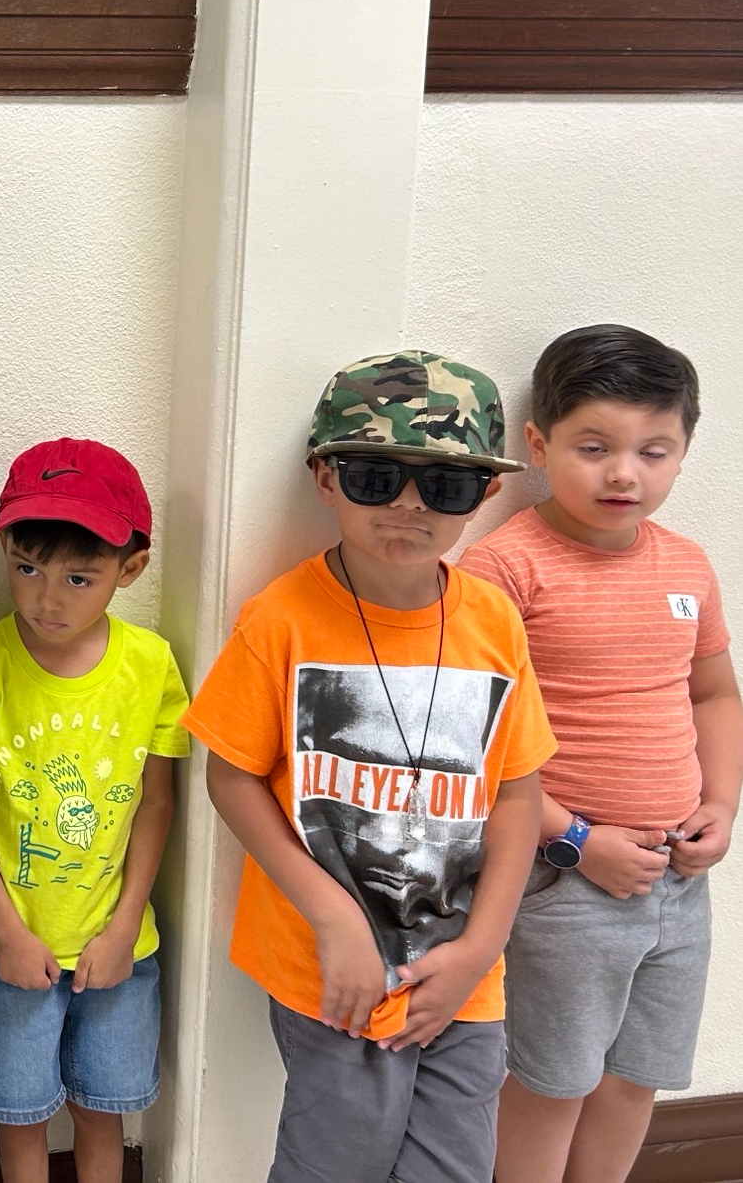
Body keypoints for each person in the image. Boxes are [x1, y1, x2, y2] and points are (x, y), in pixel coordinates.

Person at [184, 351, 556, 1183]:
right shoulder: (281, 619)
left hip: (463, 973)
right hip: (333, 970)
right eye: (375, 476)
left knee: (454, 1167)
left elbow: (520, 794)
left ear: (486, 493)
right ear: (326, 477)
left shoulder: (494, 623)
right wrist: (332, 916)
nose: (409, 505)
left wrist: (481, 947)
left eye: (447, 485)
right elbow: (230, 774)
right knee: (338, 1159)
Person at [459, 325, 743, 1183]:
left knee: (637, 1076)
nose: (626, 473)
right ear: (538, 446)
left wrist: (722, 806)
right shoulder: (504, 570)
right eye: (595, 447)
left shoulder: (687, 567)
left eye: (654, 450)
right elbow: (474, 744)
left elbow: (713, 694)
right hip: (564, 877)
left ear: (685, 452)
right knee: (551, 1080)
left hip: (677, 879)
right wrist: (578, 840)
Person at [0, 439, 190, 1183]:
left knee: (103, 1110)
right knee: (21, 1116)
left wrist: (123, 928)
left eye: (80, 577)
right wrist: (9, 932)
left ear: (130, 569)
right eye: (27, 569)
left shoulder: (150, 666)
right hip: (2, 942)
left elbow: (157, 801)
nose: (48, 599)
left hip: (119, 946)